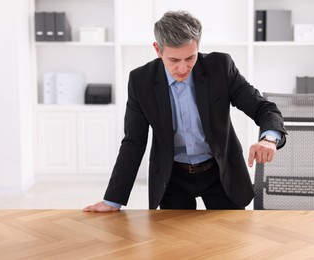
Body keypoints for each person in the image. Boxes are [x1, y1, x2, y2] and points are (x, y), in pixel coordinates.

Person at [83, 10, 286, 212]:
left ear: (198, 46)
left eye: (190, 58)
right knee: (175, 242)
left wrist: (268, 139)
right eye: (173, 60)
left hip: (220, 172)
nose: (182, 69)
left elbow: (263, 107)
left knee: (231, 241)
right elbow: (133, 142)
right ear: (157, 49)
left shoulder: (220, 67)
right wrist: (112, 200)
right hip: (172, 178)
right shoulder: (140, 81)